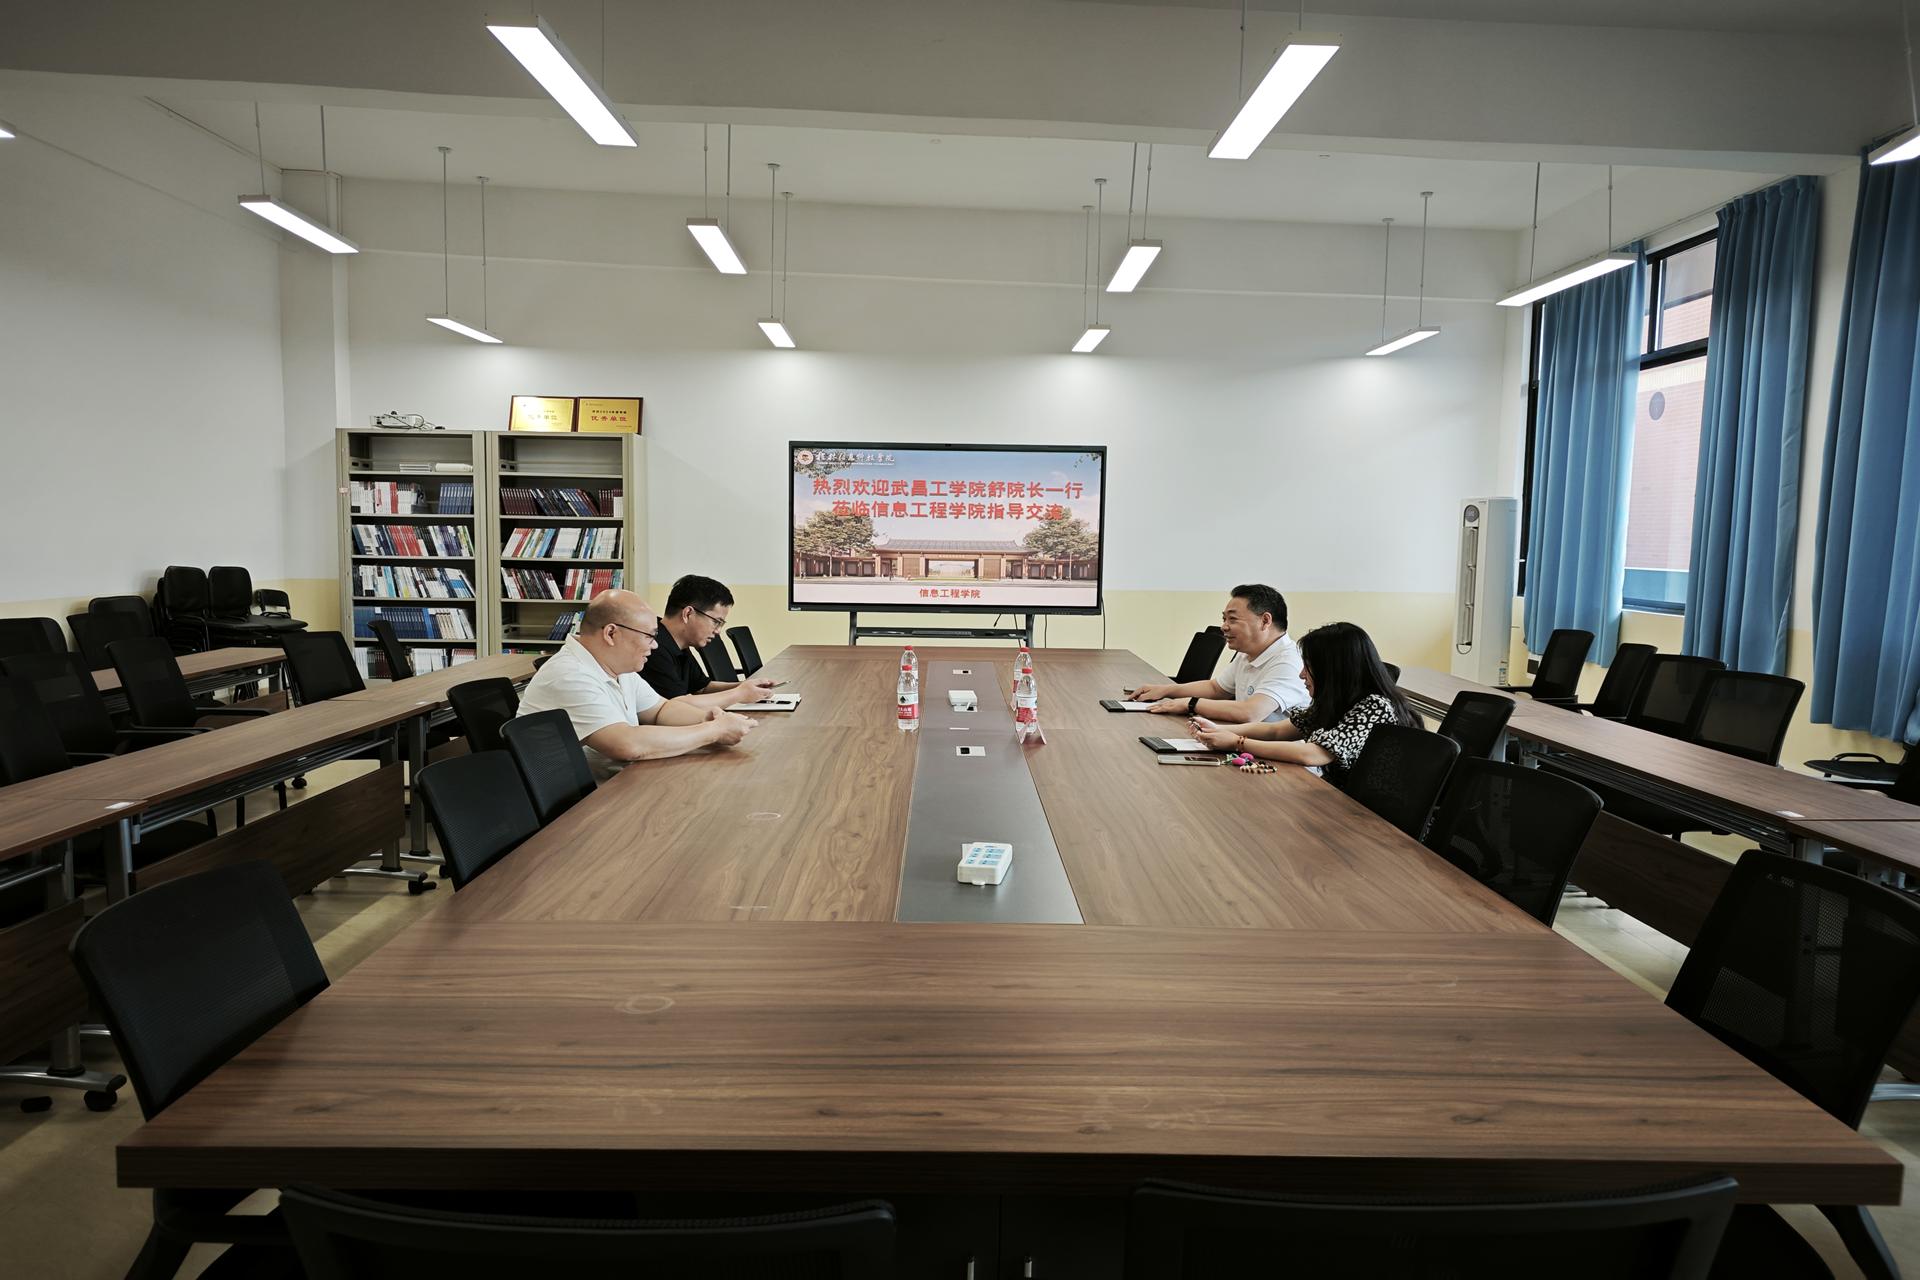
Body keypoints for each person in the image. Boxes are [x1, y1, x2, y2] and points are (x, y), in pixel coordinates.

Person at [516, 589, 755, 779]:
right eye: (649, 636)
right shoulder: (569, 675)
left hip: (616, 784)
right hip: (576, 806)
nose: (655, 645)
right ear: (611, 633)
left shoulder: (618, 667)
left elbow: (661, 710)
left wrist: (711, 719)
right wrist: (712, 731)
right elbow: (627, 744)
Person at [1189, 620, 1419, 782]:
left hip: (1366, 814)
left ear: (1333, 671)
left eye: (1308, 667)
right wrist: (1218, 730)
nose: (1301, 675)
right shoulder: (1336, 700)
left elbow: (1312, 754)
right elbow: (1277, 731)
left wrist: (1237, 742)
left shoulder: (1375, 706)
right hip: (1337, 798)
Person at [1129, 584, 1307, 723]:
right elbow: (1217, 689)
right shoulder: (1248, 653)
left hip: (1280, 757)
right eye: (1224, 619)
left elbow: (1250, 713)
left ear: (1265, 621)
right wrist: (1166, 690)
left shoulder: (1288, 662)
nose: (1224, 627)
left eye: (1233, 619)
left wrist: (1190, 703)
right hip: (1248, 744)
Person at [641, 574, 778, 705]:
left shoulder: (679, 643)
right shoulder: (653, 648)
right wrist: (739, 694)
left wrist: (746, 686)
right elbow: (677, 706)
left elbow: (702, 688)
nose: (718, 631)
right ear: (688, 614)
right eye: (716, 622)